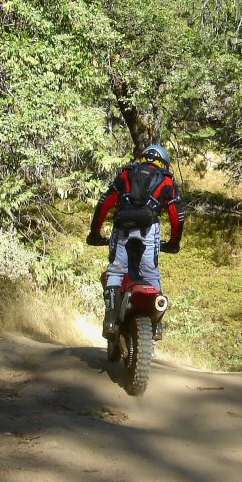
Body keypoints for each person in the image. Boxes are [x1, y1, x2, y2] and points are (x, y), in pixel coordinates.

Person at [86, 144, 185, 339]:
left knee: (115, 271)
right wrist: (174, 242)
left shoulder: (125, 175)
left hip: (122, 230)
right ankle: (156, 324)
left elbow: (104, 203)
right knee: (151, 275)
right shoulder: (166, 181)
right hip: (149, 232)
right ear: (164, 162)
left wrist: (95, 233)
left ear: (142, 158)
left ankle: (111, 322)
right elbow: (177, 216)